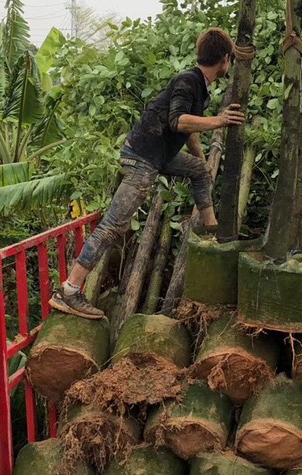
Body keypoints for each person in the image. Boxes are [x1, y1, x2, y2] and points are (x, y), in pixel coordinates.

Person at [50, 27, 246, 319]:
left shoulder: (200, 86)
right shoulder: (187, 81)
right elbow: (178, 121)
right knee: (113, 225)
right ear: (225, 60)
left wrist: (202, 160)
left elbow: (187, 131)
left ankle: (210, 229)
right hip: (142, 158)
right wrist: (218, 121)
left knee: (198, 171)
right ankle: (70, 290)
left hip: (158, 155)